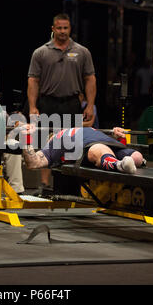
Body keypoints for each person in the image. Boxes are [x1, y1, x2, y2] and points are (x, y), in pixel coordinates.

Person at [25, 13, 97, 193]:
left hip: (71, 104)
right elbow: (33, 81)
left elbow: (90, 79)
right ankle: (44, 185)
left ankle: (69, 186)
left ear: (70, 29)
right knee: (45, 143)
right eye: (59, 28)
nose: (63, 31)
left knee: (71, 144)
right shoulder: (41, 52)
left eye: (66, 28)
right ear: (53, 29)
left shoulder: (82, 52)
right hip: (48, 103)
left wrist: (89, 105)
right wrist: (33, 106)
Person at [21, 125, 144, 174]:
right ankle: (119, 165)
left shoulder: (80, 129)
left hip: (107, 141)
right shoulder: (52, 147)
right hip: (90, 147)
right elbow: (33, 163)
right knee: (98, 149)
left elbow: (110, 139)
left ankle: (131, 162)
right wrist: (26, 137)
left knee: (137, 157)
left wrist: (117, 136)